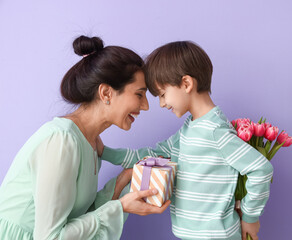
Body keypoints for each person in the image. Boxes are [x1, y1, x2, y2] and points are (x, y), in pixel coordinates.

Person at [96, 41, 274, 240]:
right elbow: (154, 155)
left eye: (163, 95)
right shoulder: (189, 129)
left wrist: (250, 217)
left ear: (186, 84)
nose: (162, 104)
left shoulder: (216, 131)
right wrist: (106, 153)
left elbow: (261, 169)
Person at [0, 35, 170, 240]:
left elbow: (80, 217)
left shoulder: (92, 142)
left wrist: (123, 181)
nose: (145, 106)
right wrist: (119, 207)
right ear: (106, 93)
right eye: (139, 94)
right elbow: (49, 237)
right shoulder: (62, 141)